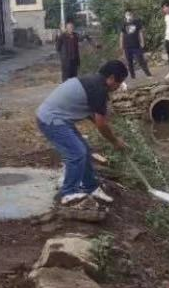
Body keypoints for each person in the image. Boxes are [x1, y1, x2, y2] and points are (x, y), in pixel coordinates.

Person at [35, 60, 129, 205]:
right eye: (119, 82)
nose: (118, 86)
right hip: (51, 120)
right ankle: (68, 193)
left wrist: (113, 135)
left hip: (60, 119)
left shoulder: (94, 82)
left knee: (84, 150)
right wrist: (115, 141)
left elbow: (94, 117)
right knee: (77, 152)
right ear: (111, 78)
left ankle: (90, 187)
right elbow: (100, 124)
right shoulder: (99, 89)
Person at [119, 9, 152, 81]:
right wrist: (121, 45)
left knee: (141, 60)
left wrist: (142, 42)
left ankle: (148, 74)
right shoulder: (123, 24)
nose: (129, 16)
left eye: (130, 14)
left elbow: (140, 33)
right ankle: (133, 76)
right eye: (127, 14)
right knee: (129, 62)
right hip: (127, 46)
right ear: (125, 16)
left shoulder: (137, 22)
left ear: (132, 15)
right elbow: (121, 35)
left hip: (136, 45)